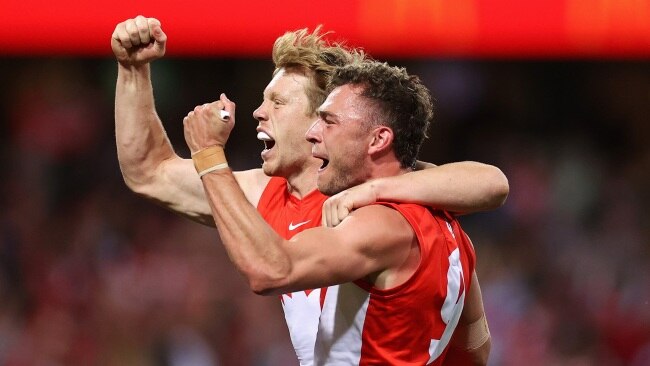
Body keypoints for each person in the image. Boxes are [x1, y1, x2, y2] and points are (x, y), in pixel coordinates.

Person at [112, 16, 505, 365]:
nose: (258, 112)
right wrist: (133, 70)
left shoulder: (381, 209)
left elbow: (491, 183)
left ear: (319, 120)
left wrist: (211, 156)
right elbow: (148, 172)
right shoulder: (271, 193)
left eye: (278, 102)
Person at [183, 59, 488, 364]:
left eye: (329, 121)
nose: (313, 133)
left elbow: (272, 270)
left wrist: (208, 156)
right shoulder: (453, 231)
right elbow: (475, 350)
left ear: (378, 139)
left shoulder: (378, 223)